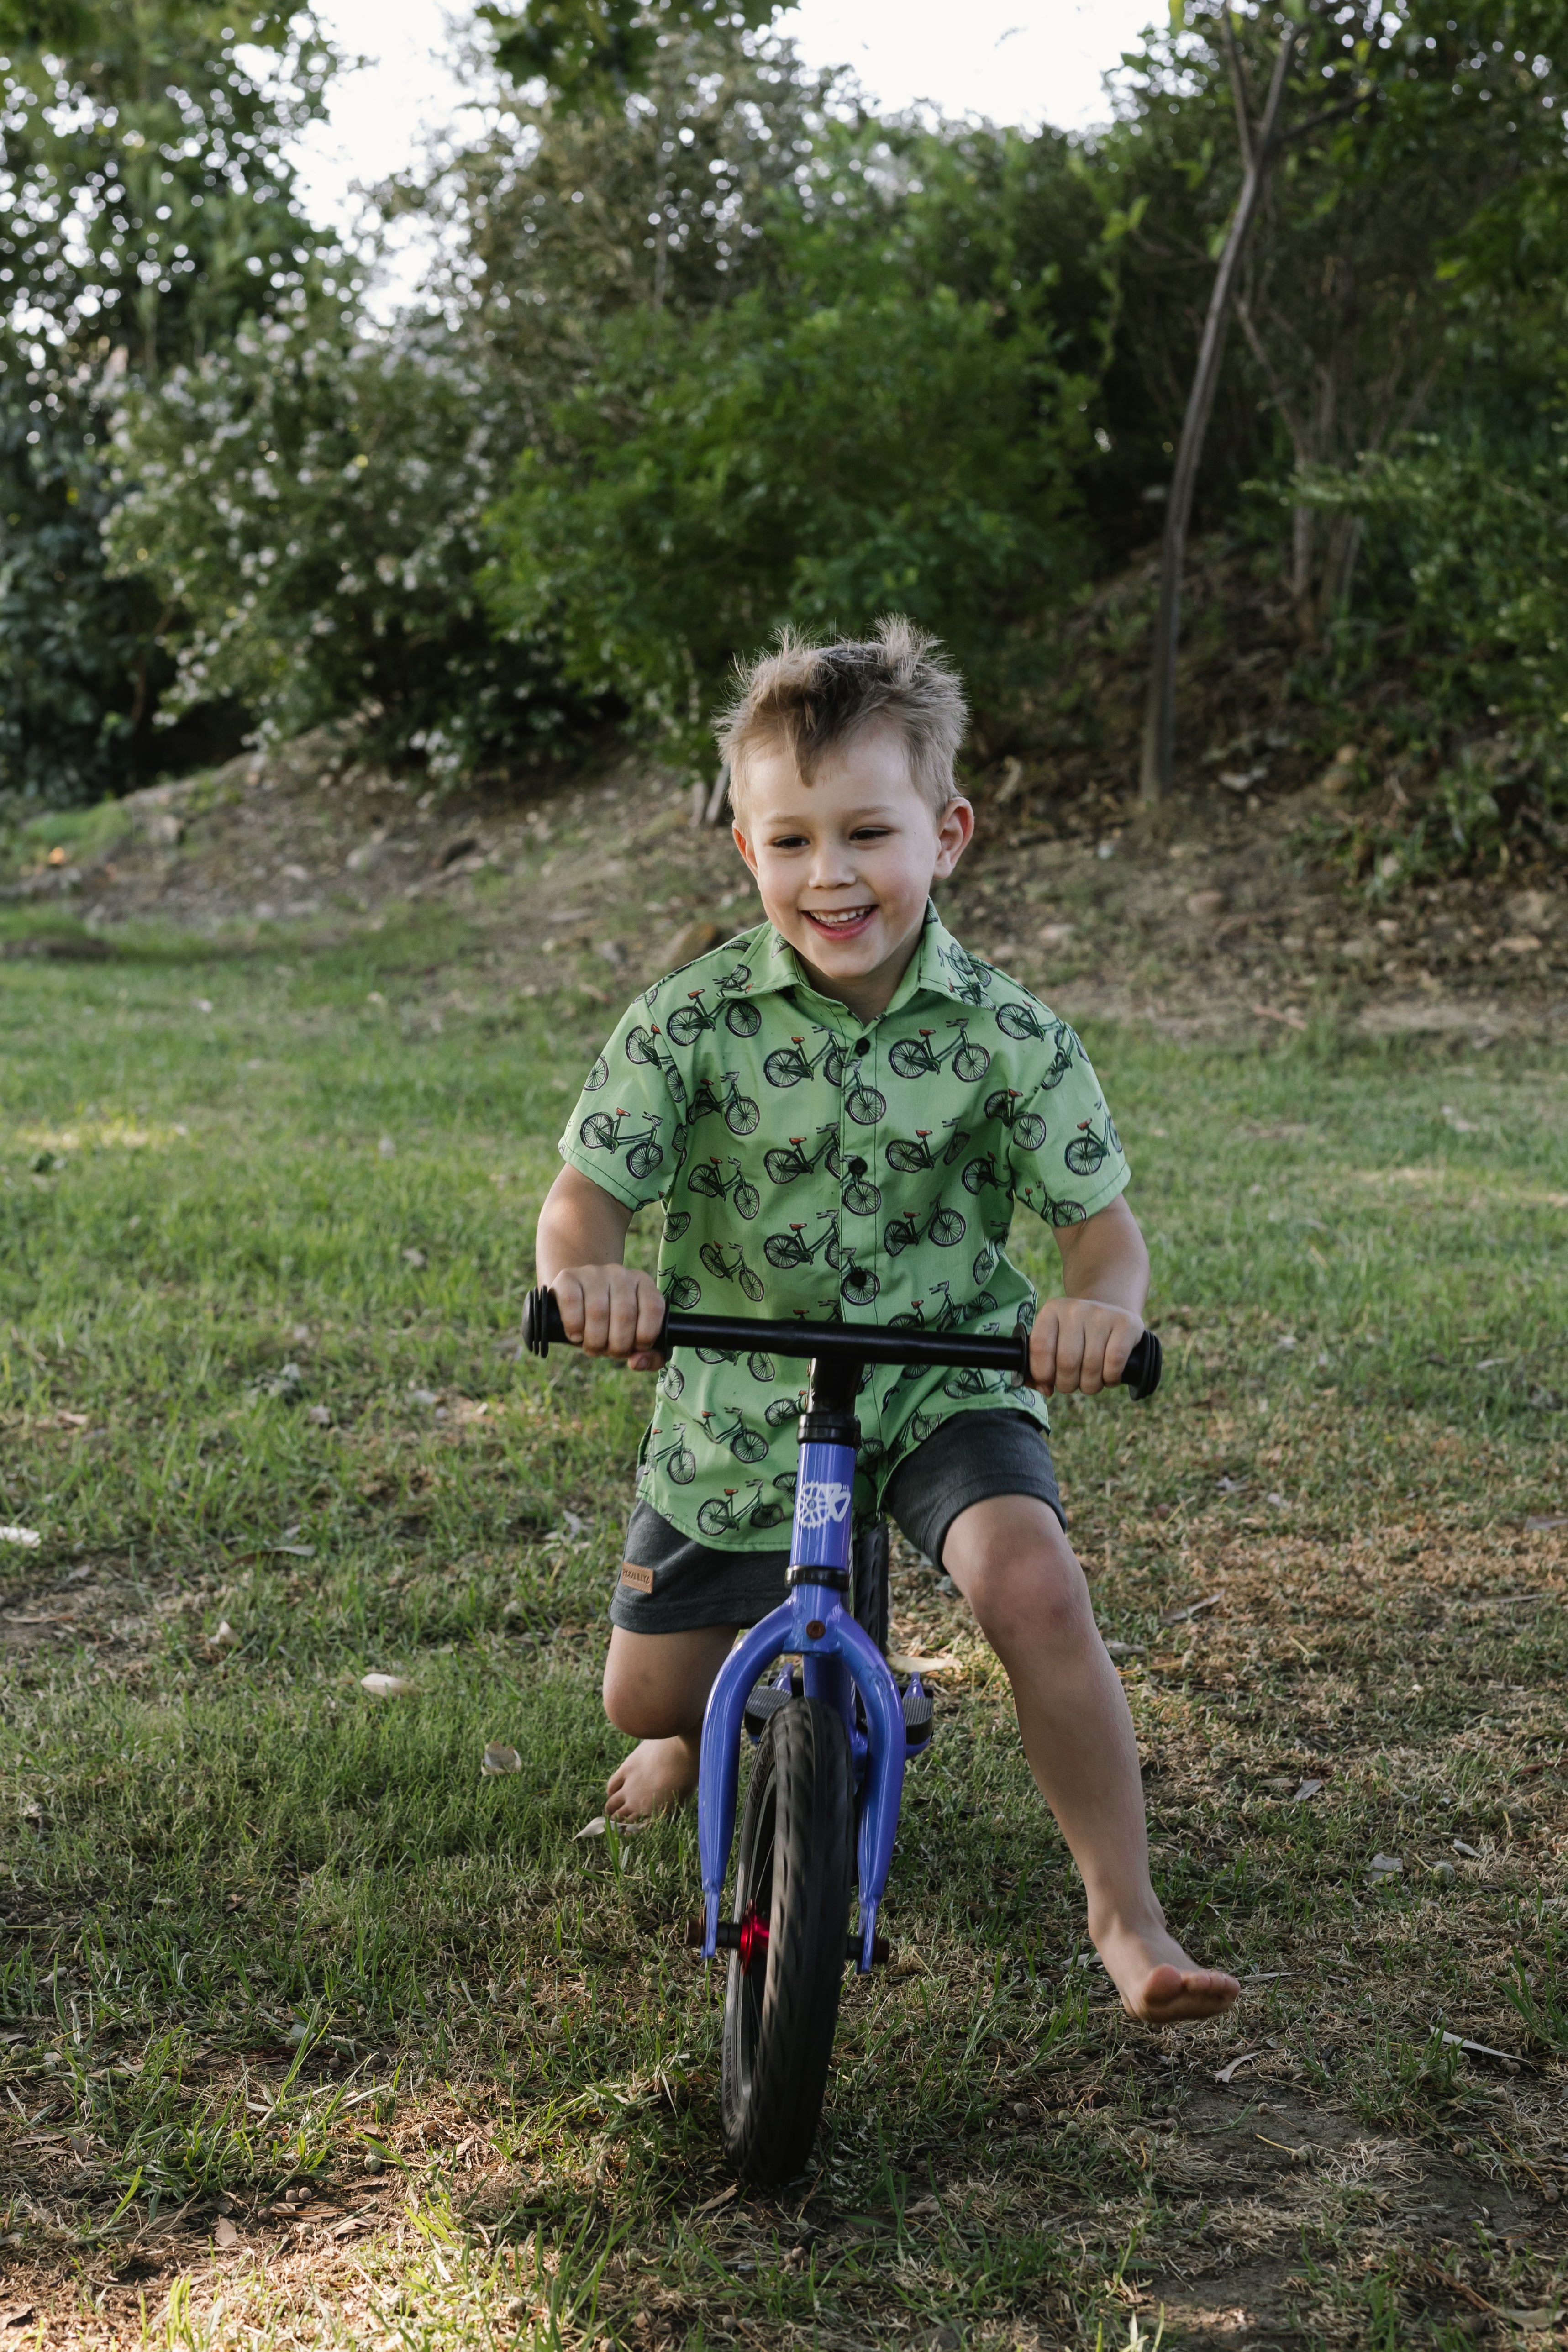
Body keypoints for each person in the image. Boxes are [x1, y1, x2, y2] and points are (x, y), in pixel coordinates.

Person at [534, 620, 1238, 2026]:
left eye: (868, 832)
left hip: (941, 1373)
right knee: (646, 1699)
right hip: (742, 1388)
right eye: (790, 841)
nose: (831, 875)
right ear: (747, 848)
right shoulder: (689, 1021)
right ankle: (691, 1732)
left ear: (946, 833)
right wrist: (588, 1278)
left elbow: (1102, 1233)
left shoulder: (1009, 1036)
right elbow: (584, 1198)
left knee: (1031, 1586)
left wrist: (1096, 1309)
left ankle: (1127, 1917)